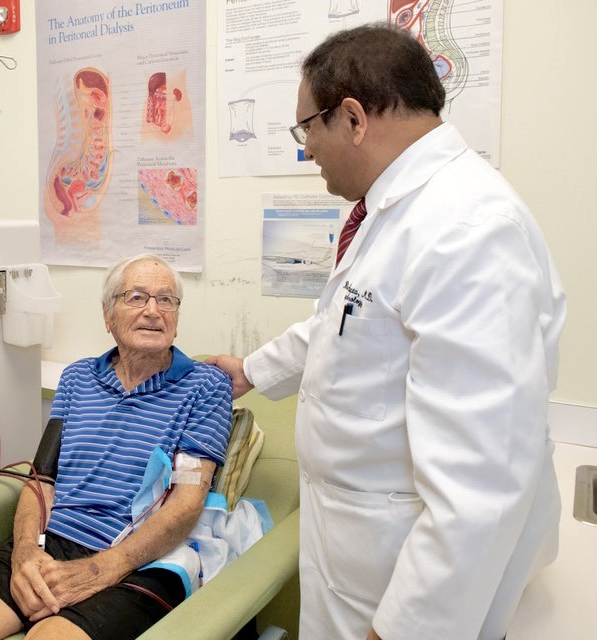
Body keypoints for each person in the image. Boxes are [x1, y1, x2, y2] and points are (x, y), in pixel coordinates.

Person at [208, 24, 566, 640]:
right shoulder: (391, 211)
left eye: (306, 129)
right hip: (359, 555)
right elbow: (348, 324)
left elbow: (481, 486)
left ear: (352, 118)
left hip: (409, 586)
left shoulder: (469, 228)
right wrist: (251, 370)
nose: (305, 150)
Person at [0, 253, 233, 640]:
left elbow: (186, 504)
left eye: (166, 299)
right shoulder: (78, 379)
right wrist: (25, 553)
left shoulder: (205, 386)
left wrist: (104, 568)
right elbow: (41, 480)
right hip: (52, 542)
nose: (153, 311)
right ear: (108, 316)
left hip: (138, 557)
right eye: (136, 297)